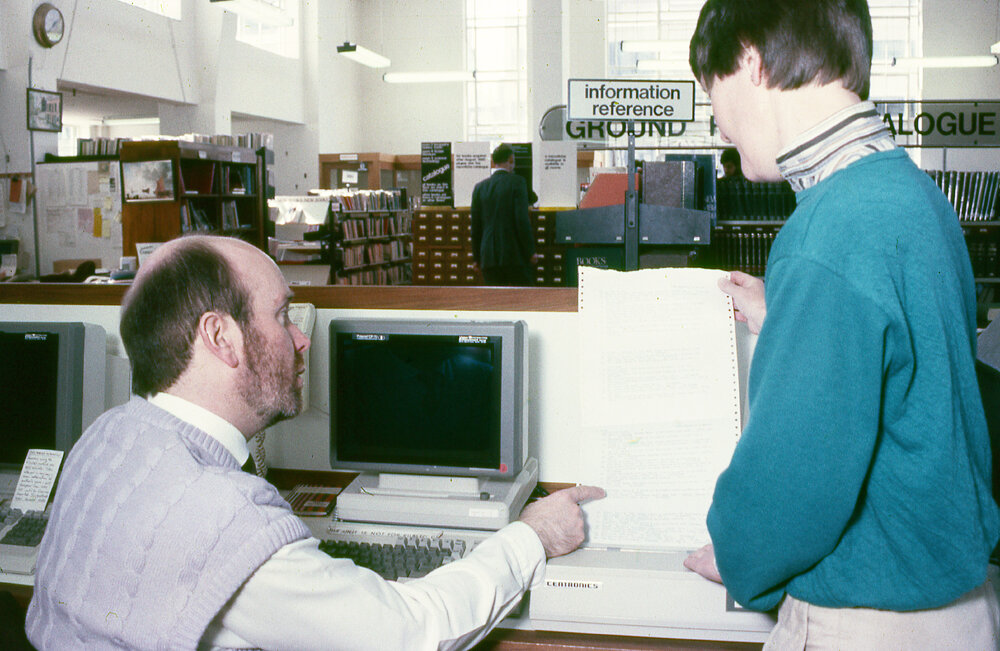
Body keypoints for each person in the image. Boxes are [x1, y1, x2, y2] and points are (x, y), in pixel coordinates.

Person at [25, 234, 604, 650]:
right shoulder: (219, 514)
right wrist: (531, 535)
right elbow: (410, 633)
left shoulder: (108, 437)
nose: (301, 340)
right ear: (221, 337)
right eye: (282, 316)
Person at [684, 1, 1000, 648]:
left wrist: (737, 549)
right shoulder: (905, 192)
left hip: (867, 618)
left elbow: (791, 490)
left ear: (748, 58)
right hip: (954, 607)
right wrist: (792, 314)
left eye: (711, 96)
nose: (720, 129)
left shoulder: (827, 233)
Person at [470, 143, 537, 286]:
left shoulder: (479, 188)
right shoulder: (518, 182)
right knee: (519, 303)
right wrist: (530, 251)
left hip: (488, 257)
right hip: (514, 256)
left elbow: (475, 227)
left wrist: (476, 258)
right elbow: (521, 221)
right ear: (511, 160)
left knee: (495, 304)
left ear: (493, 162)